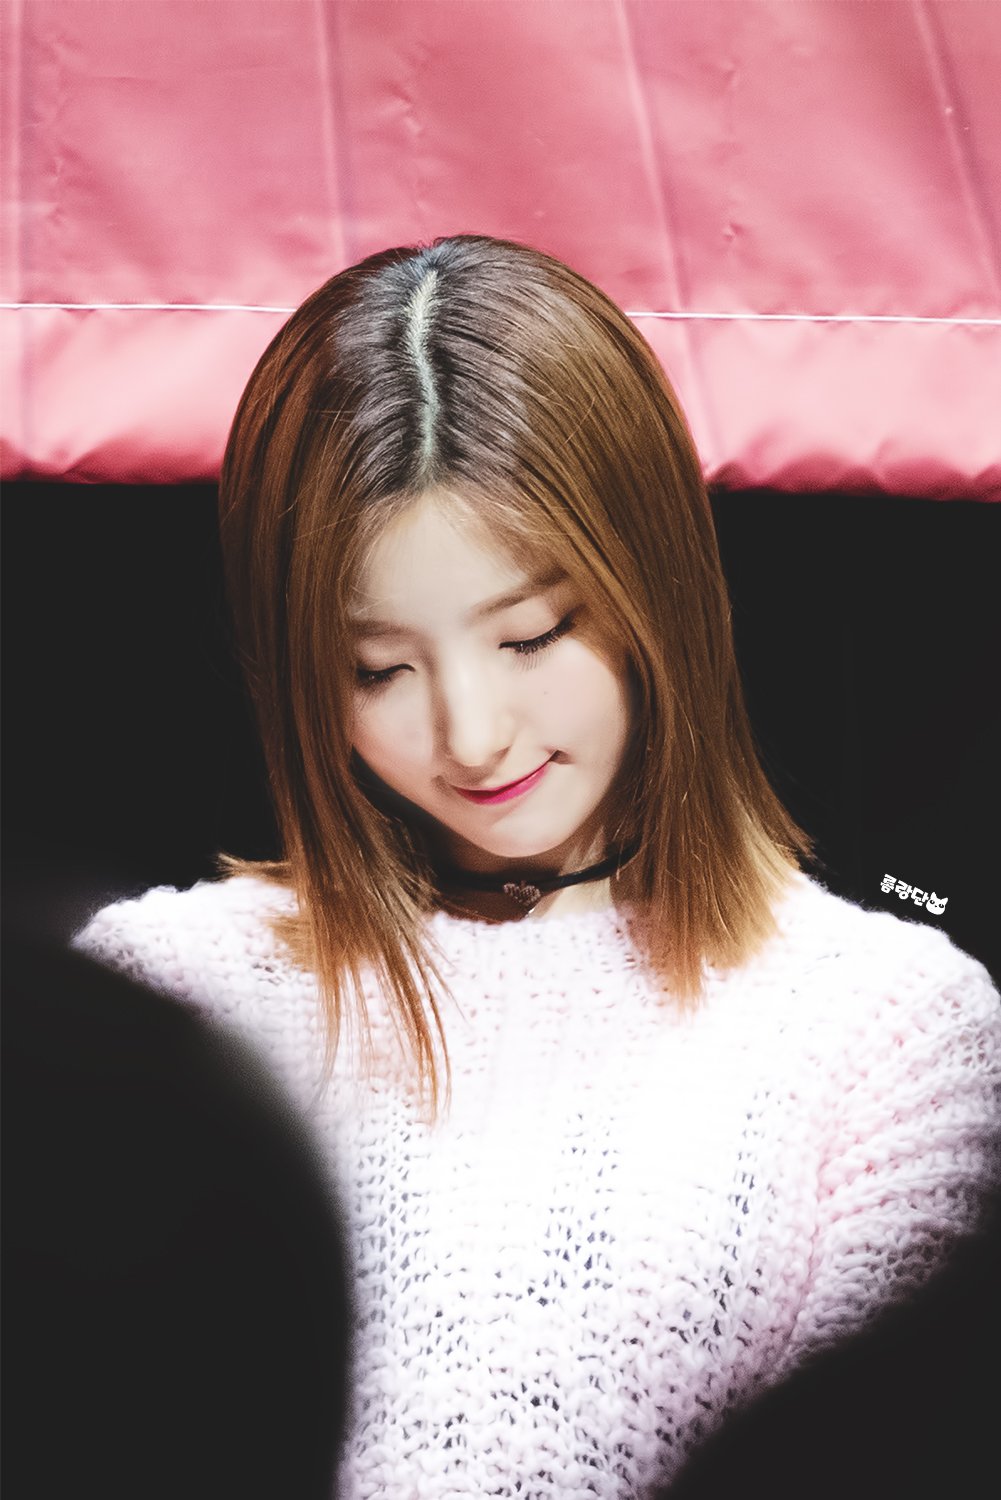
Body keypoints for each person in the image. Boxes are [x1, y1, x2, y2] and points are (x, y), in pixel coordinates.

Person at [73, 234, 1001, 1500]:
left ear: (656, 582)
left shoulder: (884, 1027)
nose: (470, 733)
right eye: (376, 669)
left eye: (531, 634)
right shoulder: (162, 995)